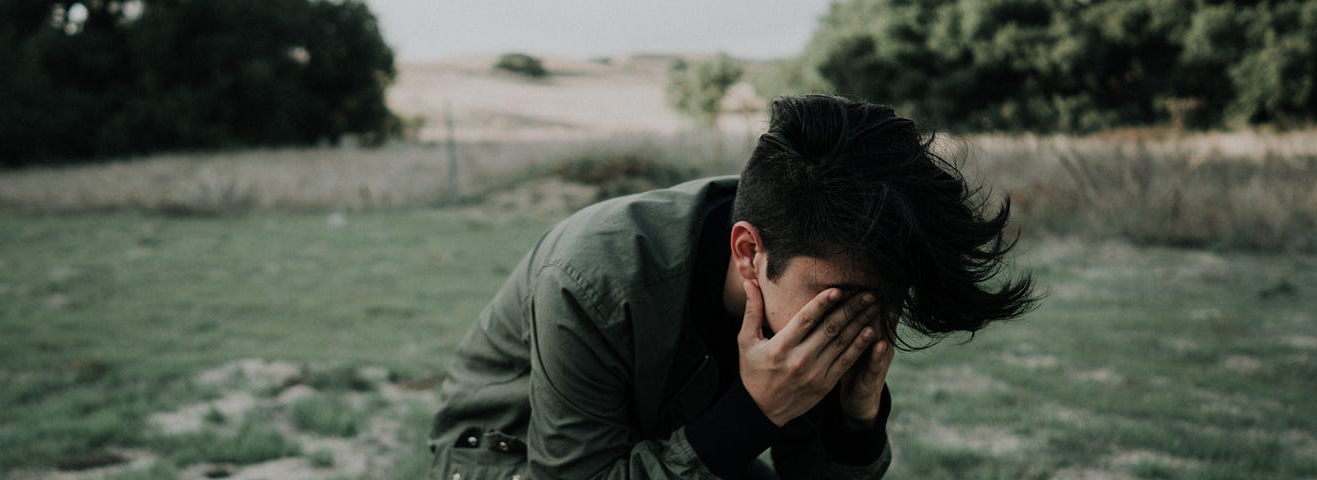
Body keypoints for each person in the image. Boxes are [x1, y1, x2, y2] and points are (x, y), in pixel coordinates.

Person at [428, 94, 1038, 479]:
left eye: (887, 300)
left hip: (667, 443)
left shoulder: (820, 257)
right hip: (505, 455)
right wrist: (754, 412)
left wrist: (855, 421)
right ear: (749, 253)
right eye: (843, 297)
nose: (863, 322)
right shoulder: (591, 278)